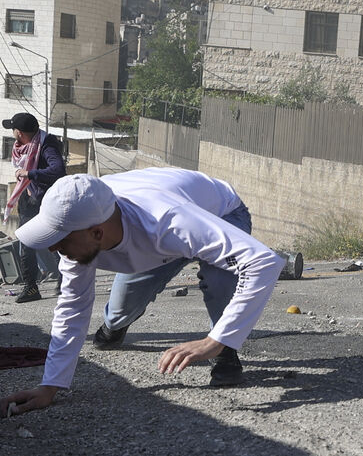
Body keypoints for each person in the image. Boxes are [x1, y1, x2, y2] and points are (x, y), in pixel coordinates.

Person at [0, 168, 285, 417]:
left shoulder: (168, 222)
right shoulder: (88, 214)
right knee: (122, 309)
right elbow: (72, 307)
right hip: (159, 233)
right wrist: (49, 387)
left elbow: (262, 262)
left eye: (59, 240)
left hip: (219, 212)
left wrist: (216, 340)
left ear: (97, 233)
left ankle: (224, 351)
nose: (52, 248)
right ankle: (114, 325)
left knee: (222, 275)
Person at [2, 112, 65, 303]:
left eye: (12, 129)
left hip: (45, 202)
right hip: (29, 200)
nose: (12, 132)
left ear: (19, 132)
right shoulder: (25, 146)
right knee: (26, 242)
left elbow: (58, 170)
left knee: (55, 244)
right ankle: (31, 287)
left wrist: (29, 173)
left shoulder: (47, 144)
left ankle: (64, 283)